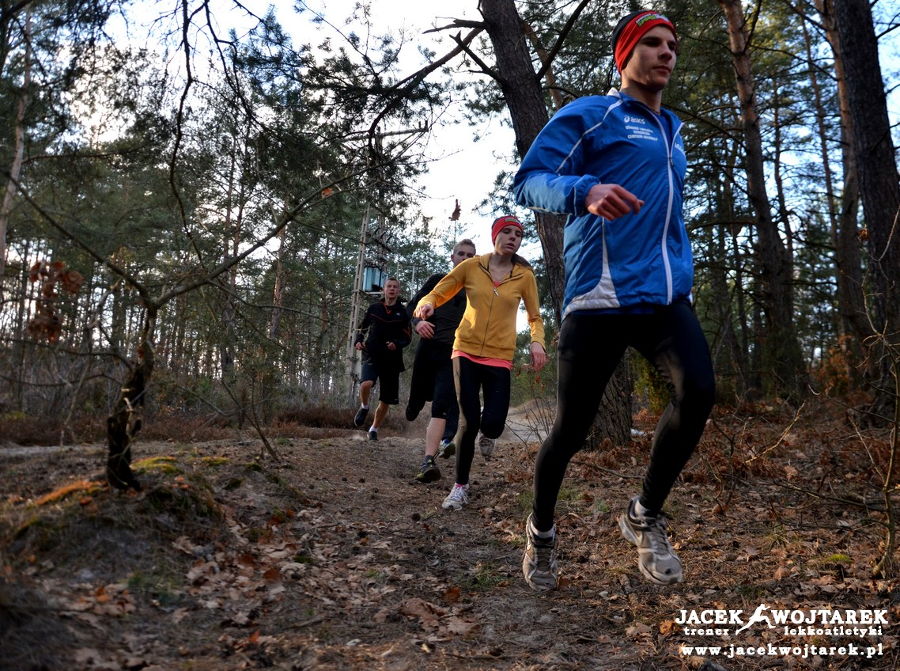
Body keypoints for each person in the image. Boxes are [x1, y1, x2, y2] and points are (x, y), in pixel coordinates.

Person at [512, 10, 715, 590]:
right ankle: (542, 531)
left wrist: (682, 268)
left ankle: (644, 513)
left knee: (698, 390)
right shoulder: (591, 114)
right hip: (599, 295)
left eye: (672, 44)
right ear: (625, 55)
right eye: (652, 43)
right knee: (571, 431)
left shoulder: (672, 129)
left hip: (664, 294)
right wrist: (586, 190)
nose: (666, 53)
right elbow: (529, 181)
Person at [414, 215, 547, 510]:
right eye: (508, 232)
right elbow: (441, 289)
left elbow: (534, 317)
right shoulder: (472, 266)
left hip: (500, 356)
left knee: (494, 424)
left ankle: (490, 434)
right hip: (465, 350)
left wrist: (538, 340)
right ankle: (459, 487)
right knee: (468, 422)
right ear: (495, 236)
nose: (514, 237)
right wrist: (428, 303)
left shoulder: (524, 275)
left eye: (519, 234)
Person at [406, 239, 477, 483]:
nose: (465, 258)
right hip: (428, 350)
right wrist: (418, 323)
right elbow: (412, 307)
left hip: (453, 353)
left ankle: (428, 460)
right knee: (416, 401)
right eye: (461, 253)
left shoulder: (477, 289)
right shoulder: (437, 280)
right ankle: (415, 406)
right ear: (452, 257)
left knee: (441, 403)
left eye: (470, 255)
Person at [352, 277, 411, 441]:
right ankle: (364, 407)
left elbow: (407, 338)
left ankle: (374, 429)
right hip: (372, 353)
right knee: (366, 384)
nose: (392, 289)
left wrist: (396, 344)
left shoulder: (403, 312)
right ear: (384, 290)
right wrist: (358, 340)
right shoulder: (374, 308)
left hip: (392, 360)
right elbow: (362, 327)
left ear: (398, 291)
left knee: (386, 399)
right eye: (389, 286)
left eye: (395, 287)